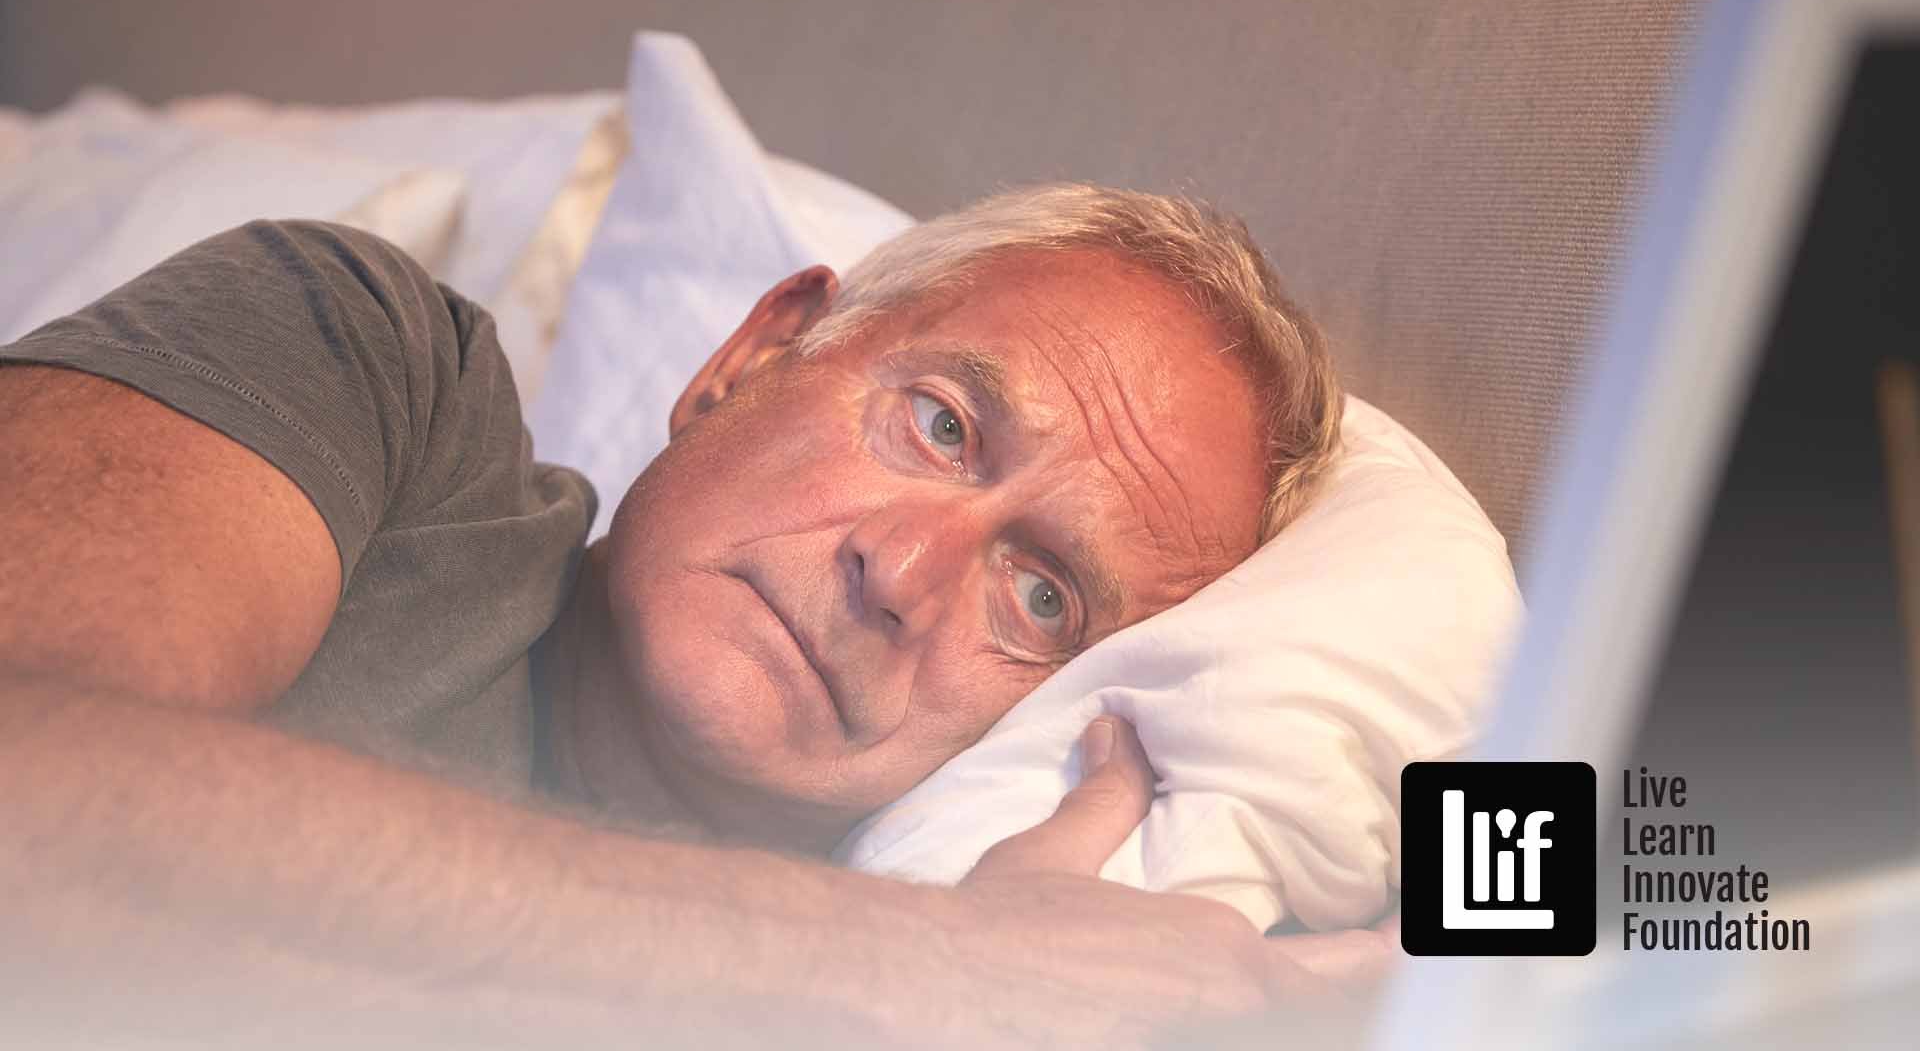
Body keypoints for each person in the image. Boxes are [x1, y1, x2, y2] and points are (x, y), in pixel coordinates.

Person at [0, 183, 1392, 1046]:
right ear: (752, 357)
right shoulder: (370, 368)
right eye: (938, 424)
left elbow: (1585, 884)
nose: (901, 578)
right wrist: (926, 979)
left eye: (1041, 597)